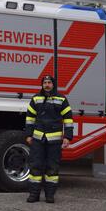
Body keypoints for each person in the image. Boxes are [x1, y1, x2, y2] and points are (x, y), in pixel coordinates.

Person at [24, 75, 73, 203]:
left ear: (53, 84)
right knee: (35, 166)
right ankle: (34, 195)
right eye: (44, 82)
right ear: (42, 84)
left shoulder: (61, 99)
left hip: (54, 140)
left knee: (52, 167)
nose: (47, 85)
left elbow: (68, 119)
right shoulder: (36, 99)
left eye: (49, 82)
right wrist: (28, 135)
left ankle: (50, 195)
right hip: (38, 139)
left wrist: (67, 136)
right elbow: (29, 118)